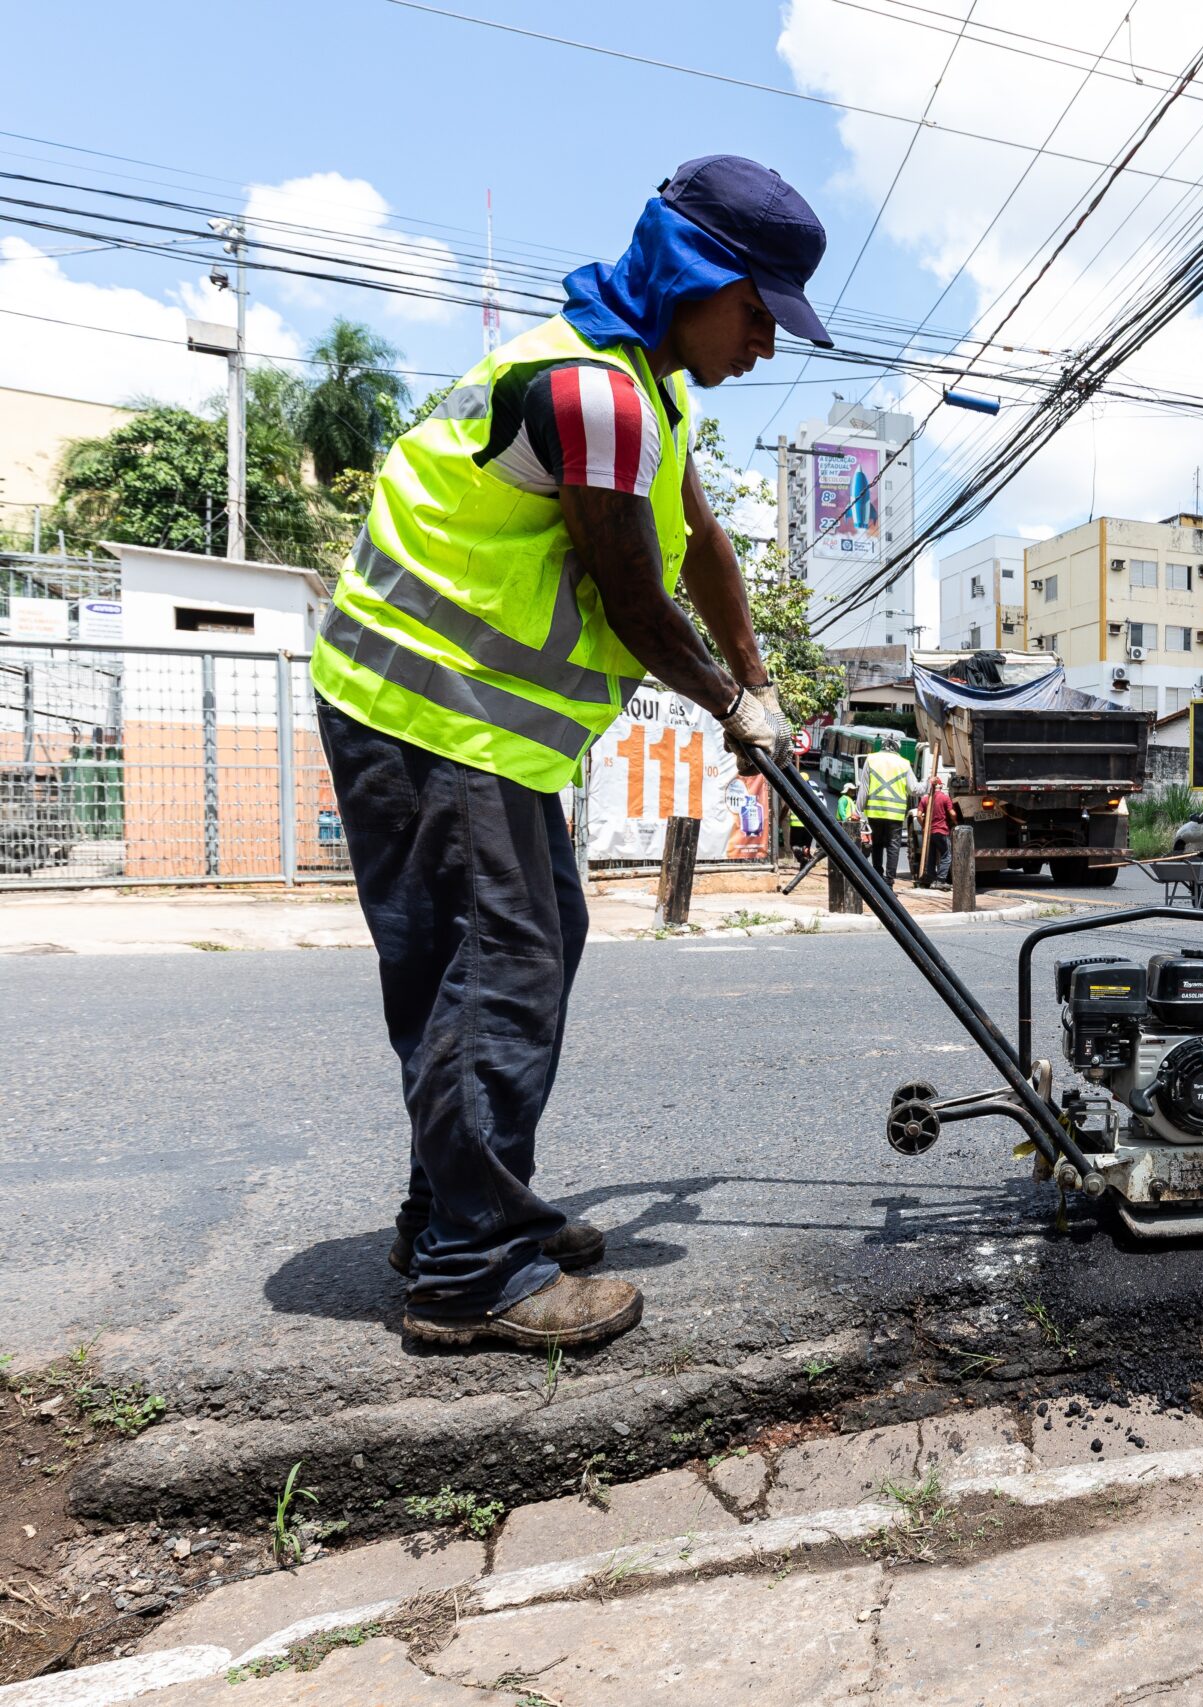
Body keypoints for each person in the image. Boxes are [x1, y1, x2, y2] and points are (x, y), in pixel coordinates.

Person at [312, 156, 829, 1350]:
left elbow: (698, 543)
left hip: (482, 729)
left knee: (524, 953)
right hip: (425, 709)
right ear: (695, 275)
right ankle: (468, 1275)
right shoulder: (591, 393)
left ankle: (452, 1213)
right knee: (497, 974)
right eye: (757, 313)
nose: (763, 346)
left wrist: (757, 682)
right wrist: (722, 707)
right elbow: (635, 600)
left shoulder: (652, 387)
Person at [861, 740, 915, 882]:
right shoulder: (904, 763)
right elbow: (914, 789)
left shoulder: (871, 759)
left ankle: (877, 878)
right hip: (895, 814)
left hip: (874, 812)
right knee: (893, 847)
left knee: (877, 845)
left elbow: (864, 788)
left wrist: (858, 811)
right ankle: (889, 882)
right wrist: (929, 783)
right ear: (897, 748)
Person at [919, 774, 955, 887]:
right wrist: (955, 822)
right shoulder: (944, 798)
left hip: (929, 833)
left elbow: (919, 815)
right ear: (940, 785)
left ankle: (931, 879)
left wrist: (924, 825)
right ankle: (940, 880)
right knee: (946, 855)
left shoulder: (925, 799)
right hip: (941, 831)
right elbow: (952, 813)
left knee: (931, 856)